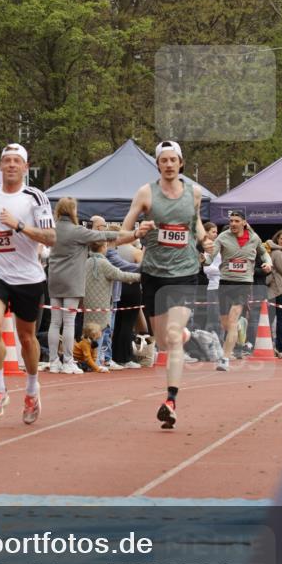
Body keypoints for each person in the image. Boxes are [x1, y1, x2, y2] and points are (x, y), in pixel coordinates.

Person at [121, 141, 212, 430]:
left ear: (181, 163)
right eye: (164, 161)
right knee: (162, 341)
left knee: (171, 339)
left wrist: (202, 239)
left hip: (185, 271)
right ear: (158, 164)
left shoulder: (194, 193)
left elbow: (194, 223)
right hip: (154, 273)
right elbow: (124, 232)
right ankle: (180, 333)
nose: (169, 165)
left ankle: (170, 401)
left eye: (174, 160)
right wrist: (139, 230)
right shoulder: (146, 193)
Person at [0, 144, 56, 424]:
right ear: (0, 165)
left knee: (27, 338)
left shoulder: (35, 197)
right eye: (6, 160)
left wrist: (19, 226)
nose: (10, 165)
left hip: (27, 275)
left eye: (16, 161)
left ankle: (32, 390)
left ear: (25, 167)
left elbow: (50, 237)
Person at [46, 197, 130, 374]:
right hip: (72, 281)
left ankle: (53, 360)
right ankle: (68, 360)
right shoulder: (78, 231)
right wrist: (128, 234)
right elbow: (102, 236)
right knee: (68, 322)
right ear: (73, 211)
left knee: (55, 322)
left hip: (54, 279)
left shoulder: (52, 230)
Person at [207, 211, 272, 372]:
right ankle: (237, 331)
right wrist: (203, 258)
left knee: (233, 320)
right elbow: (210, 257)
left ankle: (225, 359)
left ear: (244, 222)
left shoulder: (254, 238)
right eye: (231, 221)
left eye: (236, 221)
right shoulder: (222, 237)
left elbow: (264, 254)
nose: (233, 223)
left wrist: (268, 263)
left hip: (244, 283)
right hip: (225, 282)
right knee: (225, 323)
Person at [84, 240, 140, 366]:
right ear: (103, 247)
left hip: (89, 302)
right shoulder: (103, 262)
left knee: (90, 332)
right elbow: (120, 275)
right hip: (103, 302)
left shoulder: (87, 261)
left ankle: (92, 360)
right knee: (103, 332)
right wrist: (141, 277)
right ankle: (100, 361)